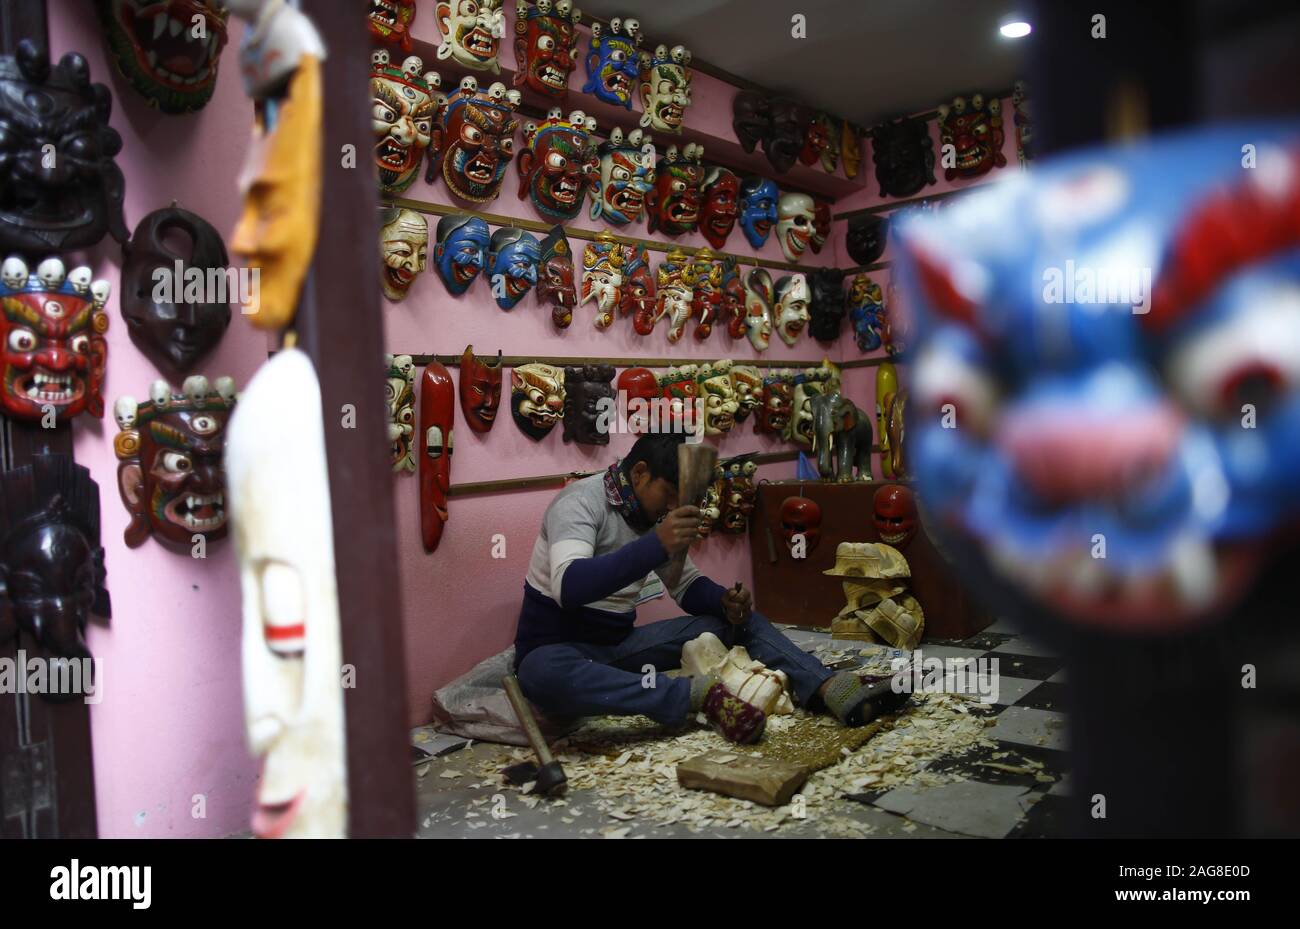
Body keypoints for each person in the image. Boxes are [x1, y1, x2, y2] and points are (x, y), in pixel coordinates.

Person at [514, 432, 908, 743]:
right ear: (639, 475)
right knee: (539, 675)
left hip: (617, 645)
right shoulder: (578, 503)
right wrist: (657, 544)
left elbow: (685, 586)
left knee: (735, 621)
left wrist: (724, 601)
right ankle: (695, 697)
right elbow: (570, 587)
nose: (670, 507)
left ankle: (827, 687)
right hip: (557, 649)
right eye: (667, 495)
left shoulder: (656, 516)